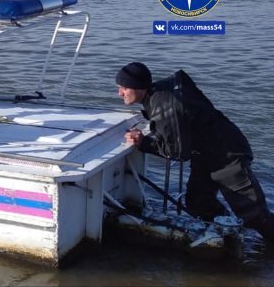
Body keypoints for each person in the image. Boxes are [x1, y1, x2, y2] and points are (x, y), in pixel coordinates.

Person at [116, 62, 274, 241]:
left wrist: (143, 143)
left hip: (228, 155)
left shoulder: (164, 105)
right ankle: (228, 235)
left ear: (140, 87)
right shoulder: (159, 95)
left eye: (124, 88)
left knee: (254, 215)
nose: (119, 93)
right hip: (206, 155)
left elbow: (177, 153)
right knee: (198, 203)